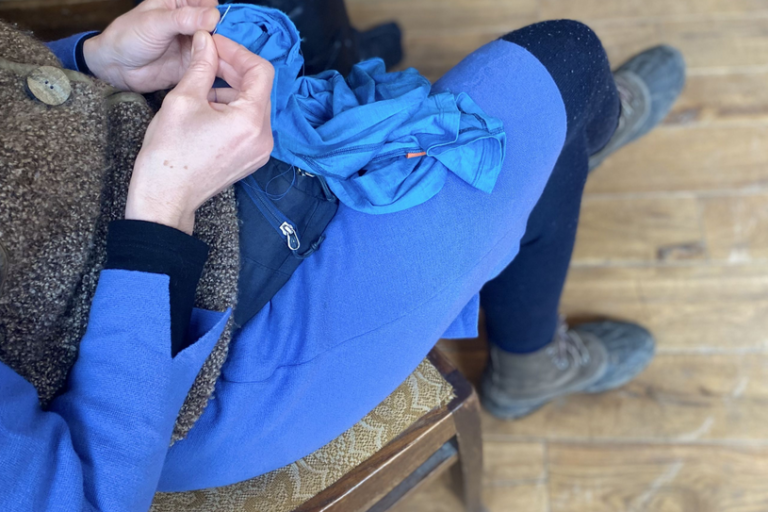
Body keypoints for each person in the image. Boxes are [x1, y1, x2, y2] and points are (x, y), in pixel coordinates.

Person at [0, 0, 685, 510]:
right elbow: (90, 493)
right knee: (568, 64)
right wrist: (164, 206)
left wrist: (84, 62)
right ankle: (530, 357)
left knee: (547, 121)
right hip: (185, 365)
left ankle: (556, 159)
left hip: (143, 143)